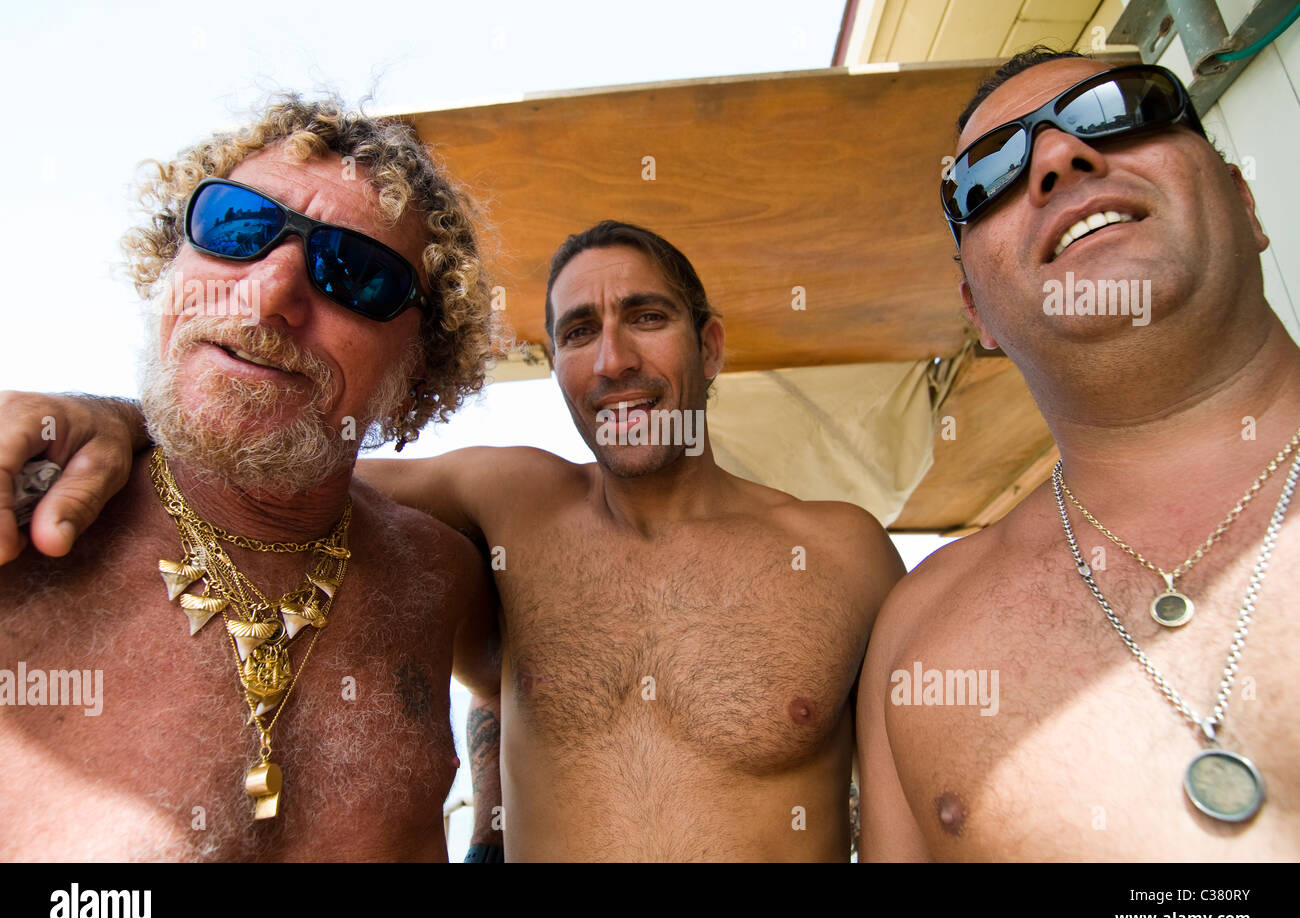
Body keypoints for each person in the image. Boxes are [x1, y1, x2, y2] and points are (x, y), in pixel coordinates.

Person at [3, 220, 904, 861]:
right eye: (578, 332)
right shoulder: (508, 500)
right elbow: (275, 471)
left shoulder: (840, 554)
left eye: (648, 317)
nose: (614, 360)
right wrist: (116, 419)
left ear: (709, 348)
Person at [0, 96, 499, 860]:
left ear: (418, 365)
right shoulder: (22, 527)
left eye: (356, 273)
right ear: (170, 263)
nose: (268, 295)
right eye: (237, 226)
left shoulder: (439, 575)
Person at [857, 49, 1300, 860]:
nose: (1061, 157)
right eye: (988, 176)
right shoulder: (916, 636)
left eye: (1118, 110)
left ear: (1244, 199)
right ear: (977, 314)